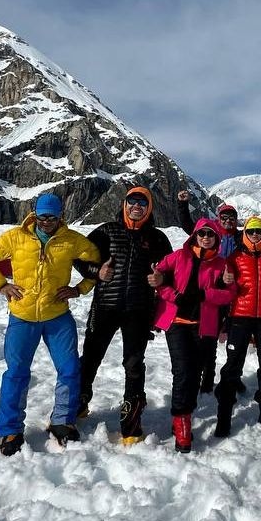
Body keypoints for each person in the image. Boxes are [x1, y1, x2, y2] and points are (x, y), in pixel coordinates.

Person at [0, 193, 100, 456]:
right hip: (22, 317)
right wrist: (1, 285)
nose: (46, 222)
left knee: (69, 369)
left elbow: (96, 263)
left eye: (52, 217)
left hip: (57, 316)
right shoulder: (16, 237)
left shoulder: (72, 240)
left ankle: (62, 420)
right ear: (34, 215)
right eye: (42, 217)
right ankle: (10, 429)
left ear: (60, 216)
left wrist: (79, 289)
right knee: (16, 372)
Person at [74, 186, 173, 444]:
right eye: (132, 201)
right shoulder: (106, 231)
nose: (136, 206)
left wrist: (162, 279)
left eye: (142, 202)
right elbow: (79, 258)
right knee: (91, 357)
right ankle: (79, 402)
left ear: (149, 208)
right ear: (125, 204)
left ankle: (131, 420)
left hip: (138, 311)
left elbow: (174, 270)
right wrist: (97, 272)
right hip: (104, 307)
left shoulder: (157, 238)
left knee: (134, 364)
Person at [176, 191, 261, 394]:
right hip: (211, 292)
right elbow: (188, 225)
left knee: (234, 339)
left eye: (232, 218)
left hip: (234, 294)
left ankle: (234, 376)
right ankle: (206, 379)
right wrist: (183, 204)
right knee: (209, 336)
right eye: (224, 217)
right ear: (218, 218)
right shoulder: (211, 234)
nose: (228, 221)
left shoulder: (241, 237)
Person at [148, 219, 236, 452]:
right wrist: (174, 296)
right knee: (183, 371)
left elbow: (229, 295)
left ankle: (184, 412)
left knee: (195, 372)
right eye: (202, 233)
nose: (206, 237)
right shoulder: (178, 257)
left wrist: (206, 294)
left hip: (203, 325)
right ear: (195, 235)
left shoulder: (222, 265)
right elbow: (158, 279)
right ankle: (181, 421)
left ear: (216, 238)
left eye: (210, 234)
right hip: (176, 323)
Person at [213, 216, 261, 436]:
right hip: (239, 317)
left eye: (259, 232)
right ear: (245, 233)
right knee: (233, 366)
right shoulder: (234, 257)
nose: (255, 235)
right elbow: (219, 280)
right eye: (251, 231)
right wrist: (224, 280)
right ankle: (224, 417)